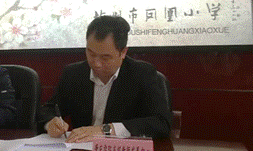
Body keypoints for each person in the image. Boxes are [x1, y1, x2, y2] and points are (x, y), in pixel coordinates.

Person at [41, 15, 171, 142]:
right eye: (91, 54)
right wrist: (50, 122)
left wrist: (106, 130)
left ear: (123, 52)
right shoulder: (73, 73)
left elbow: (161, 123)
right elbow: (48, 109)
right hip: (79, 150)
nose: (96, 64)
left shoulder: (142, 74)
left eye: (105, 58)